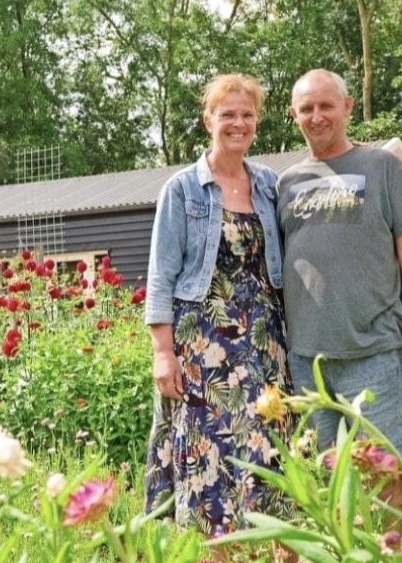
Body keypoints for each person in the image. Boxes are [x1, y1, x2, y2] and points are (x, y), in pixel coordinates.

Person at [143, 74, 295, 547]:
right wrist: (162, 353)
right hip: (204, 344)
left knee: (275, 453)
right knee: (211, 462)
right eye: (227, 114)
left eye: (247, 115)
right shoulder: (183, 189)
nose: (238, 123)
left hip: (265, 342)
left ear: (257, 122)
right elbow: (161, 276)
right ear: (208, 119)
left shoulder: (270, 184)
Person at [278, 69, 402, 484]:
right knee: (327, 482)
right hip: (306, 361)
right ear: (294, 115)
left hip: (372, 353)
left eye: (326, 106)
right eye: (306, 109)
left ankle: (395, 551)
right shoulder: (285, 182)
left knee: (384, 476)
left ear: (347, 107)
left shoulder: (382, 166)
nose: (317, 116)